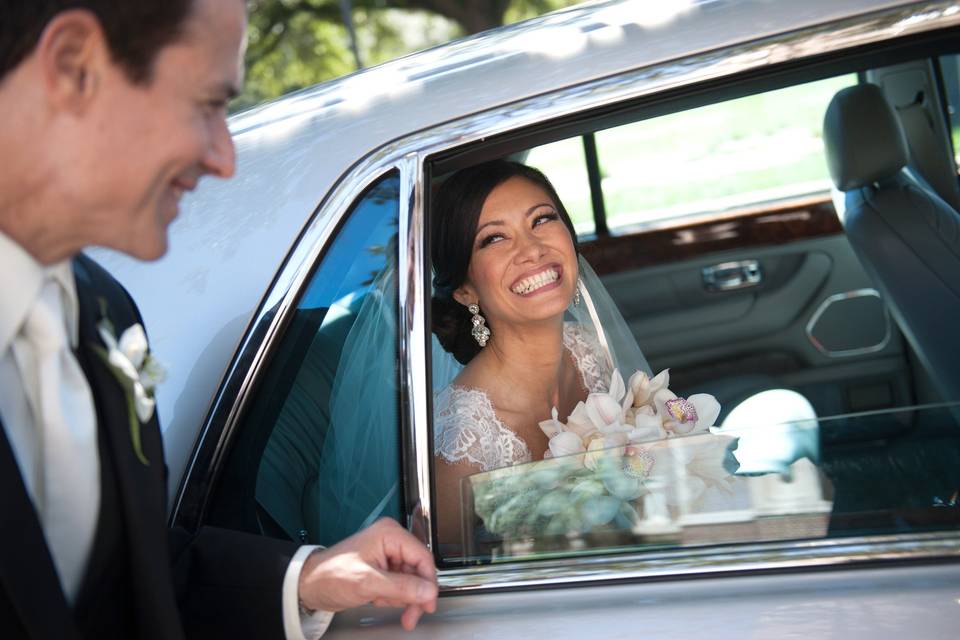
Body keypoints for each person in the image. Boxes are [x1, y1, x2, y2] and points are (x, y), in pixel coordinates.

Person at [0, 1, 437, 639]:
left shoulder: (105, 310)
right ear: (72, 66)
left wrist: (306, 577)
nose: (223, 158)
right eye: (207, 105)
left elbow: (136, 581)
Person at [430, 160, 650, 544]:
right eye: (494, 239)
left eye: (542, 220)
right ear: (465, 290)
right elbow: (441, 586)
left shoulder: (587, 347)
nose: (532, 249)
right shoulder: (463, 444)